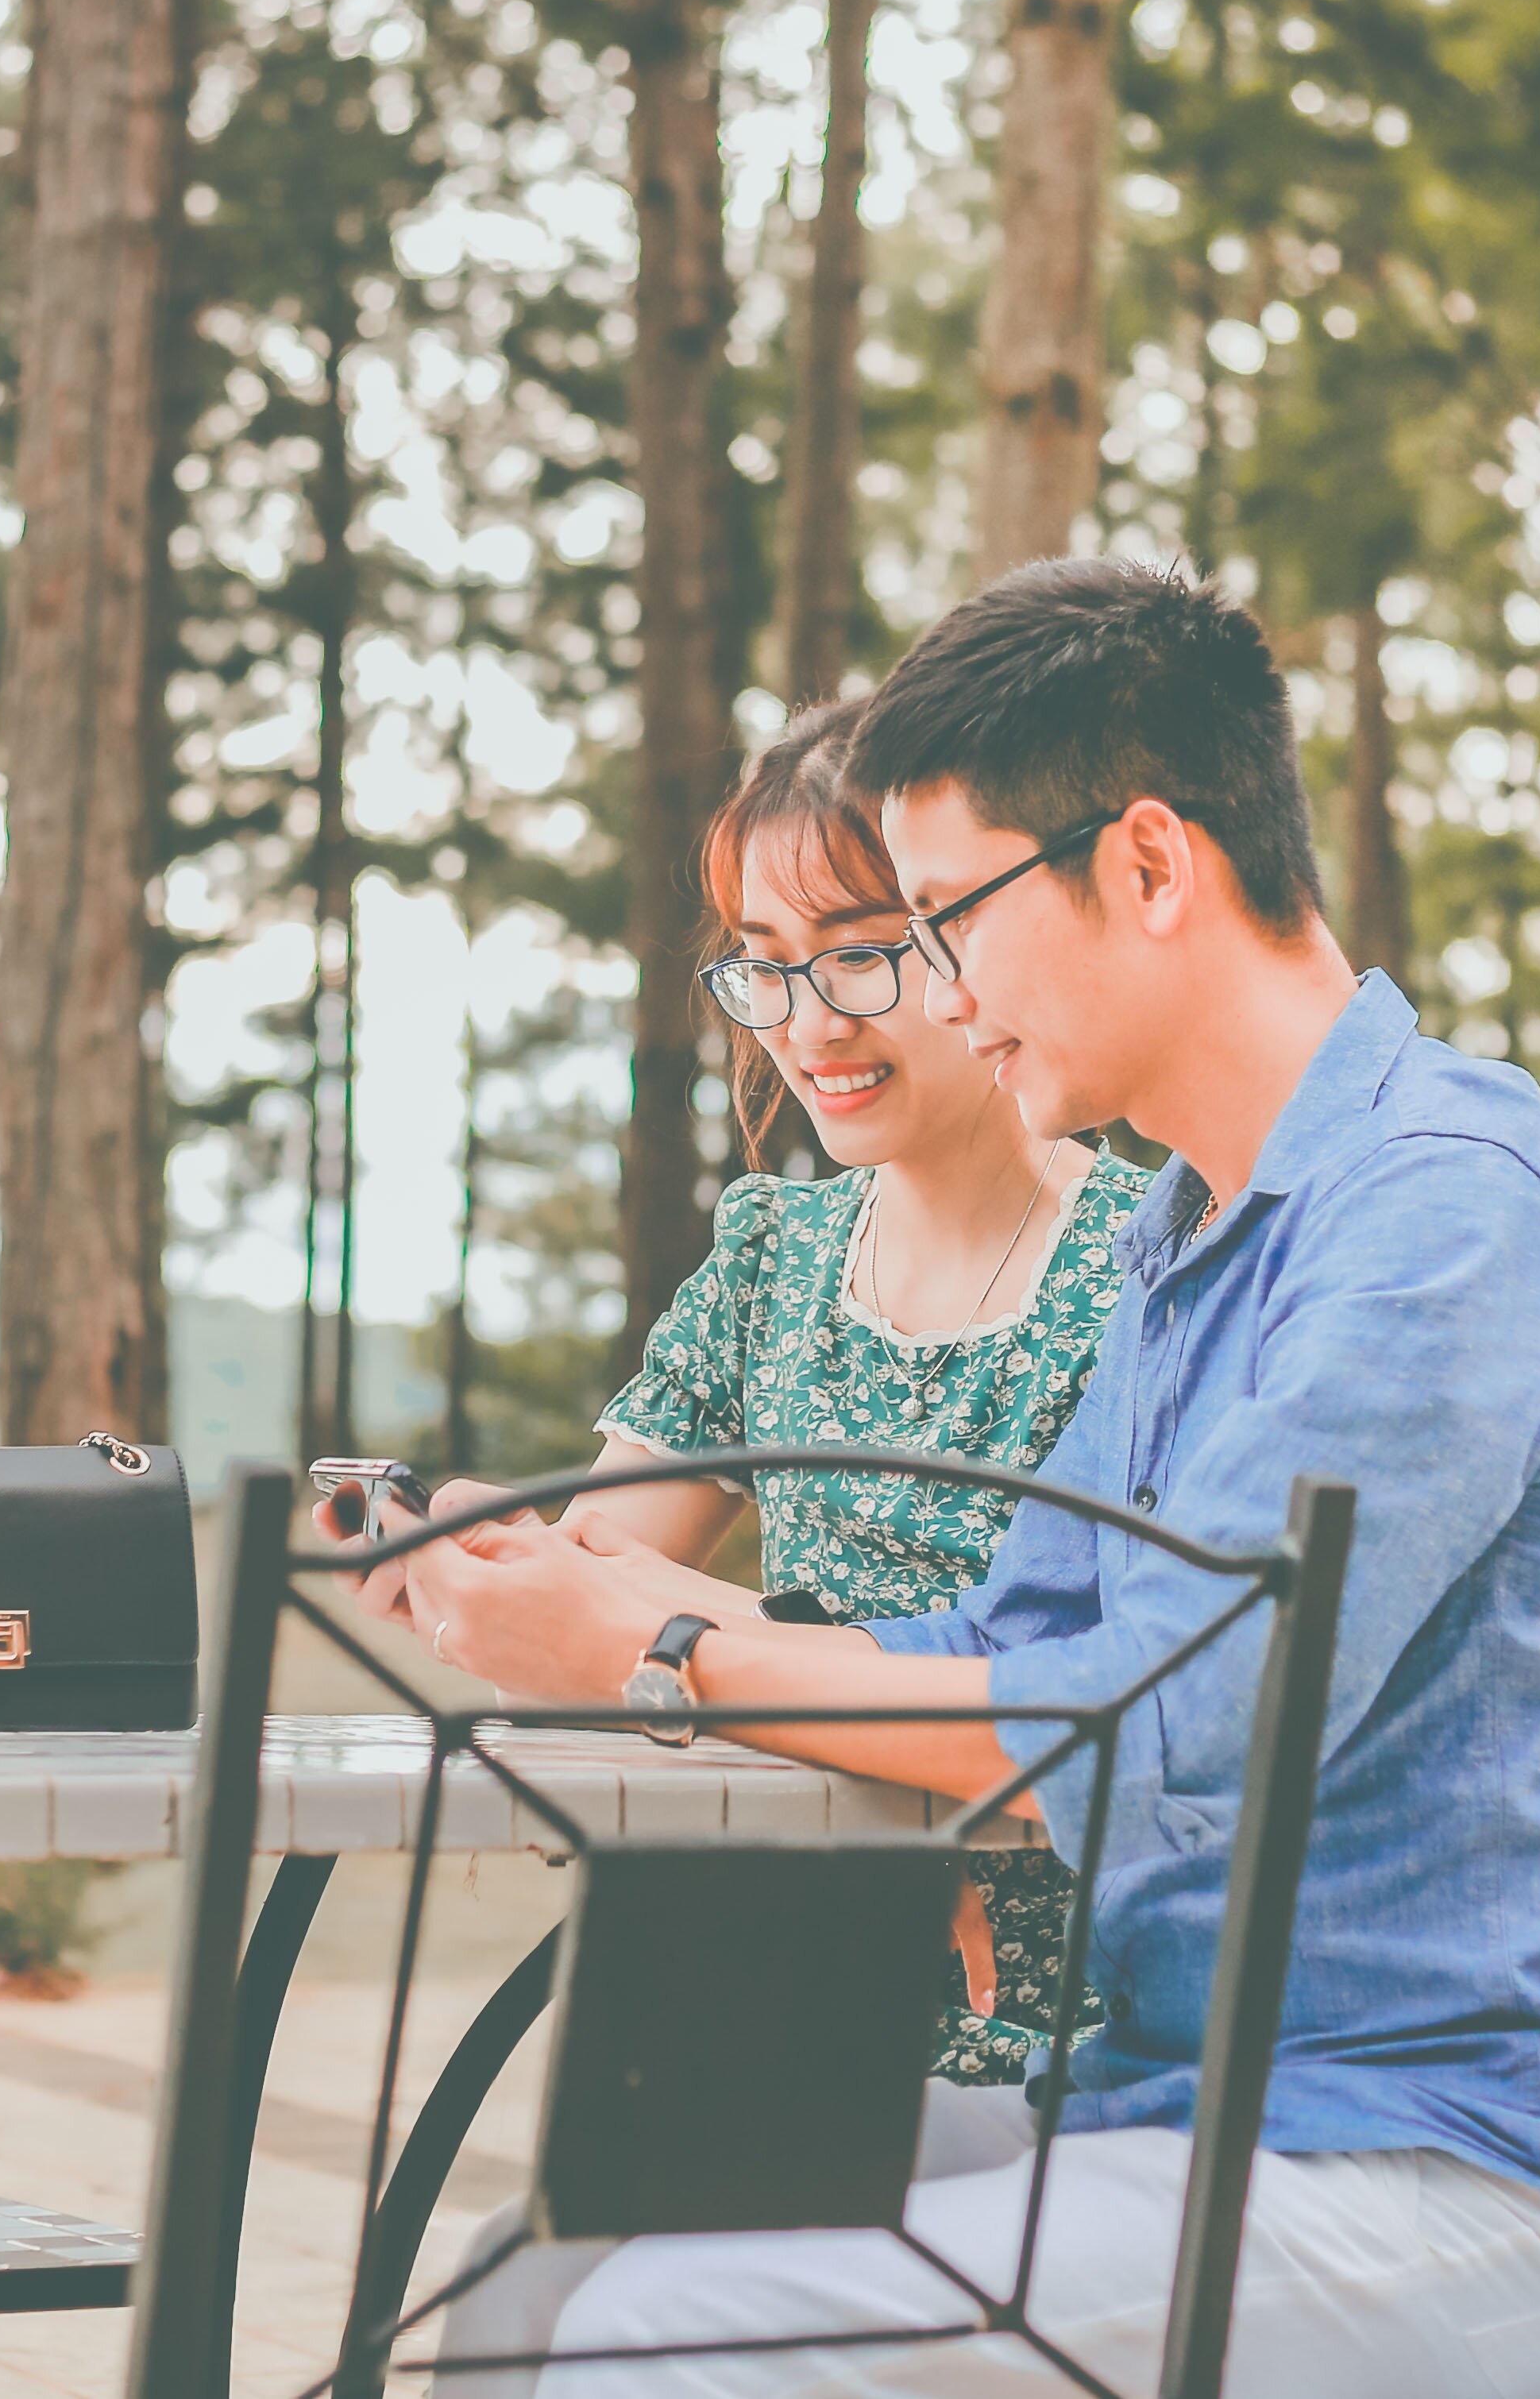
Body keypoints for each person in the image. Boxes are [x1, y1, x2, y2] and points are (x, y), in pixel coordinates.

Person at [397, 557, 1540, 2399]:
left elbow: (1155, 1725)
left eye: (942, 918)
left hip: (1460, 2167)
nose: (933, 992)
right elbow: (996, 1635)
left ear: (1150, 865)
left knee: (672, 2333)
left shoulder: (1439, 1210)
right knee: (544, 2266)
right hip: (1169, 2113)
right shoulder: (1191, 1234)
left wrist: (662, 1658)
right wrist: (590, 1597)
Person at [349, 696, 1151, 2084]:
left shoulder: (1148, 1266)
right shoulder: (773, 1255)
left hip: (1089, 2035)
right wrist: (479, 1566)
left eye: (859, 956)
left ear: (972, 936)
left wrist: (652, 1628)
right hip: (791, 1966)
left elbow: (1115, 1701)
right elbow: (586, 1615)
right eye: (764, 966)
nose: (806, 1023)